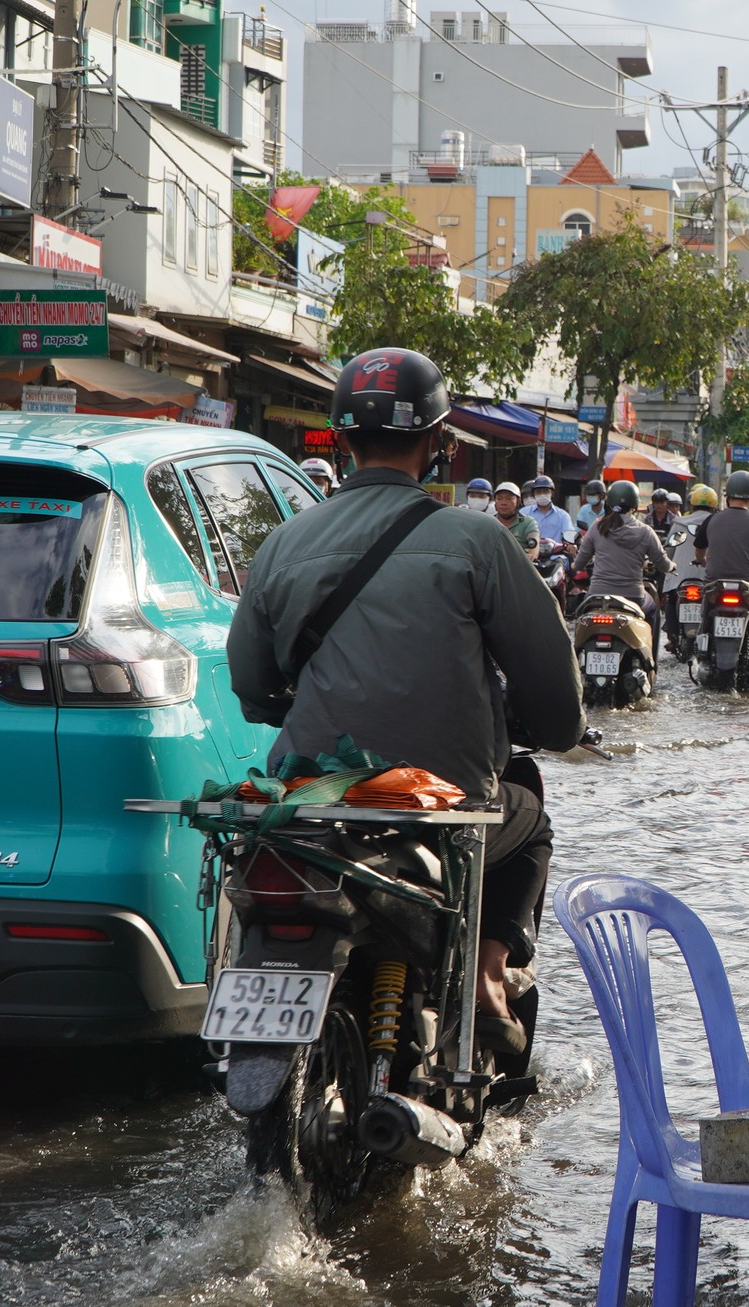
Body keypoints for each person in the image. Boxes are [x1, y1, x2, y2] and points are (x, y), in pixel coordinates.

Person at [226, 347, 584, 1056]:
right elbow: (551, 683)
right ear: (441, 442)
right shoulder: (477, 540)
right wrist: (555, 727)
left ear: (342, 439)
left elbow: (252, 684)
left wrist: (292, 707)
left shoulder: (283, 543)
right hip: (443, 800)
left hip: (313, 795)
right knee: (531, 819)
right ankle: (485, 981)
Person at [574, 480, 673, 658]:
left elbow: (579, 563)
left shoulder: (597, 527)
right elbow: (663, 564)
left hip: (597, 595)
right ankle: (649, 658)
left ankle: (577, 656)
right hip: (633, 596)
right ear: (635, 505)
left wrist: (573, 565)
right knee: (652, 610)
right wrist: (673, 565)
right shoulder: (645, 531)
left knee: (579, 616)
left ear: (609, 503)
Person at [695, 469, 749, 634]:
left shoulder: (711, 520)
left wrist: (704, 561)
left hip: (714, 583)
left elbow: (699, 552)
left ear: (727, 497)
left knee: (704, 616)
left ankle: (702, 640)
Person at [673, 482, 717, 582]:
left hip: (679, 579)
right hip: (710, 580)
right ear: (713, 508)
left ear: (692, 506)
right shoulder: (718, 524)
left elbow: (669, 552)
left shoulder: (679, 524)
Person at [525, 474, 573, 554]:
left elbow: (569, 536)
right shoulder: (524, 513)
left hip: (556, 556)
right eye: (538, 492)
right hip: (530, 556)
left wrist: (571, 544)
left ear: (552, 493)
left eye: (545, 491)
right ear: (533, 494)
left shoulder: (563, 515)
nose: (542, 494)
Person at [492, 481, 539, 559]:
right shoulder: (489, 522)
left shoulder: (528, 522)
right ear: (495, 503)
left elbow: (534, 545)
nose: (503, 503)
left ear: (518, 502)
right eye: (499, 499)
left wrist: (531, 555)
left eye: (509, 499)